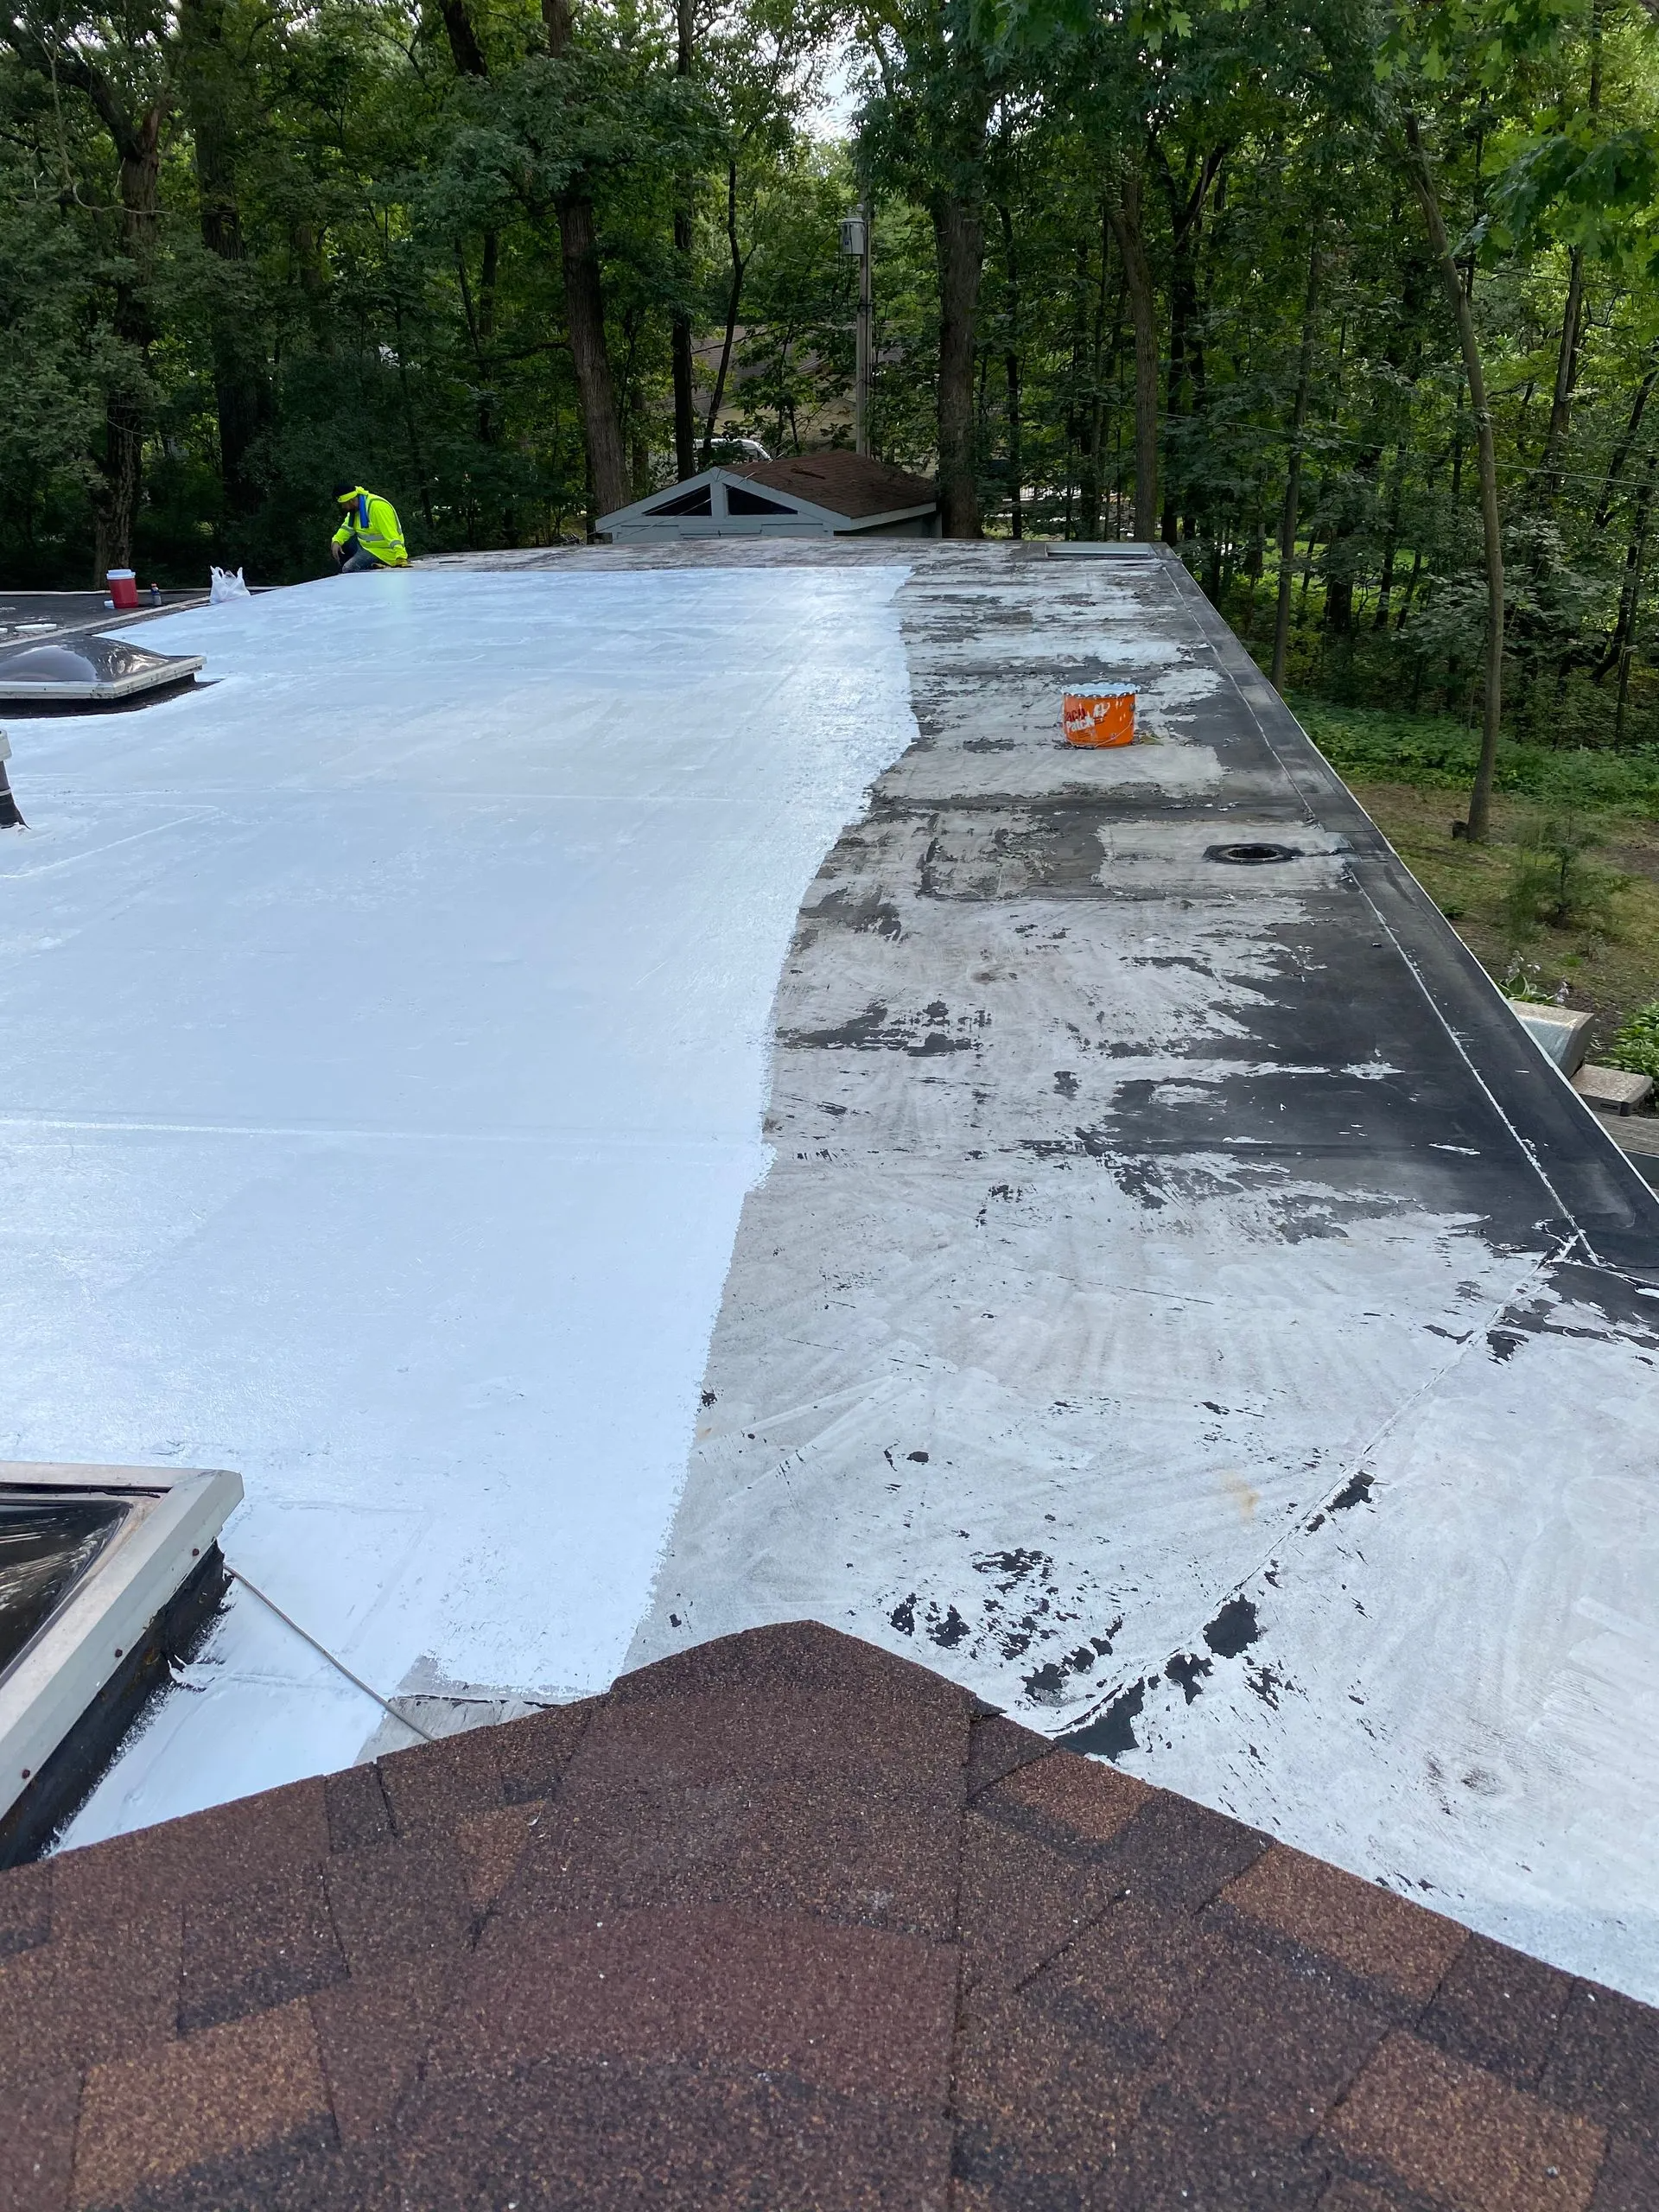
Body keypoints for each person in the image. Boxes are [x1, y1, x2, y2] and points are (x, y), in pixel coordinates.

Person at [329, 481, 408, 572]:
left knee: (349, 569)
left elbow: (391, 533)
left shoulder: (377, 507)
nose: (343, 507)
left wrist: (400, 557)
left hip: (382, 552)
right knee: (343, 546)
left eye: (343, 504)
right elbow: (347, 528)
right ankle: (372, 565)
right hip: (366, 547)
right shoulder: (355, 510)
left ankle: (381, 563)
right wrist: (336, 541)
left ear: (351, 501)